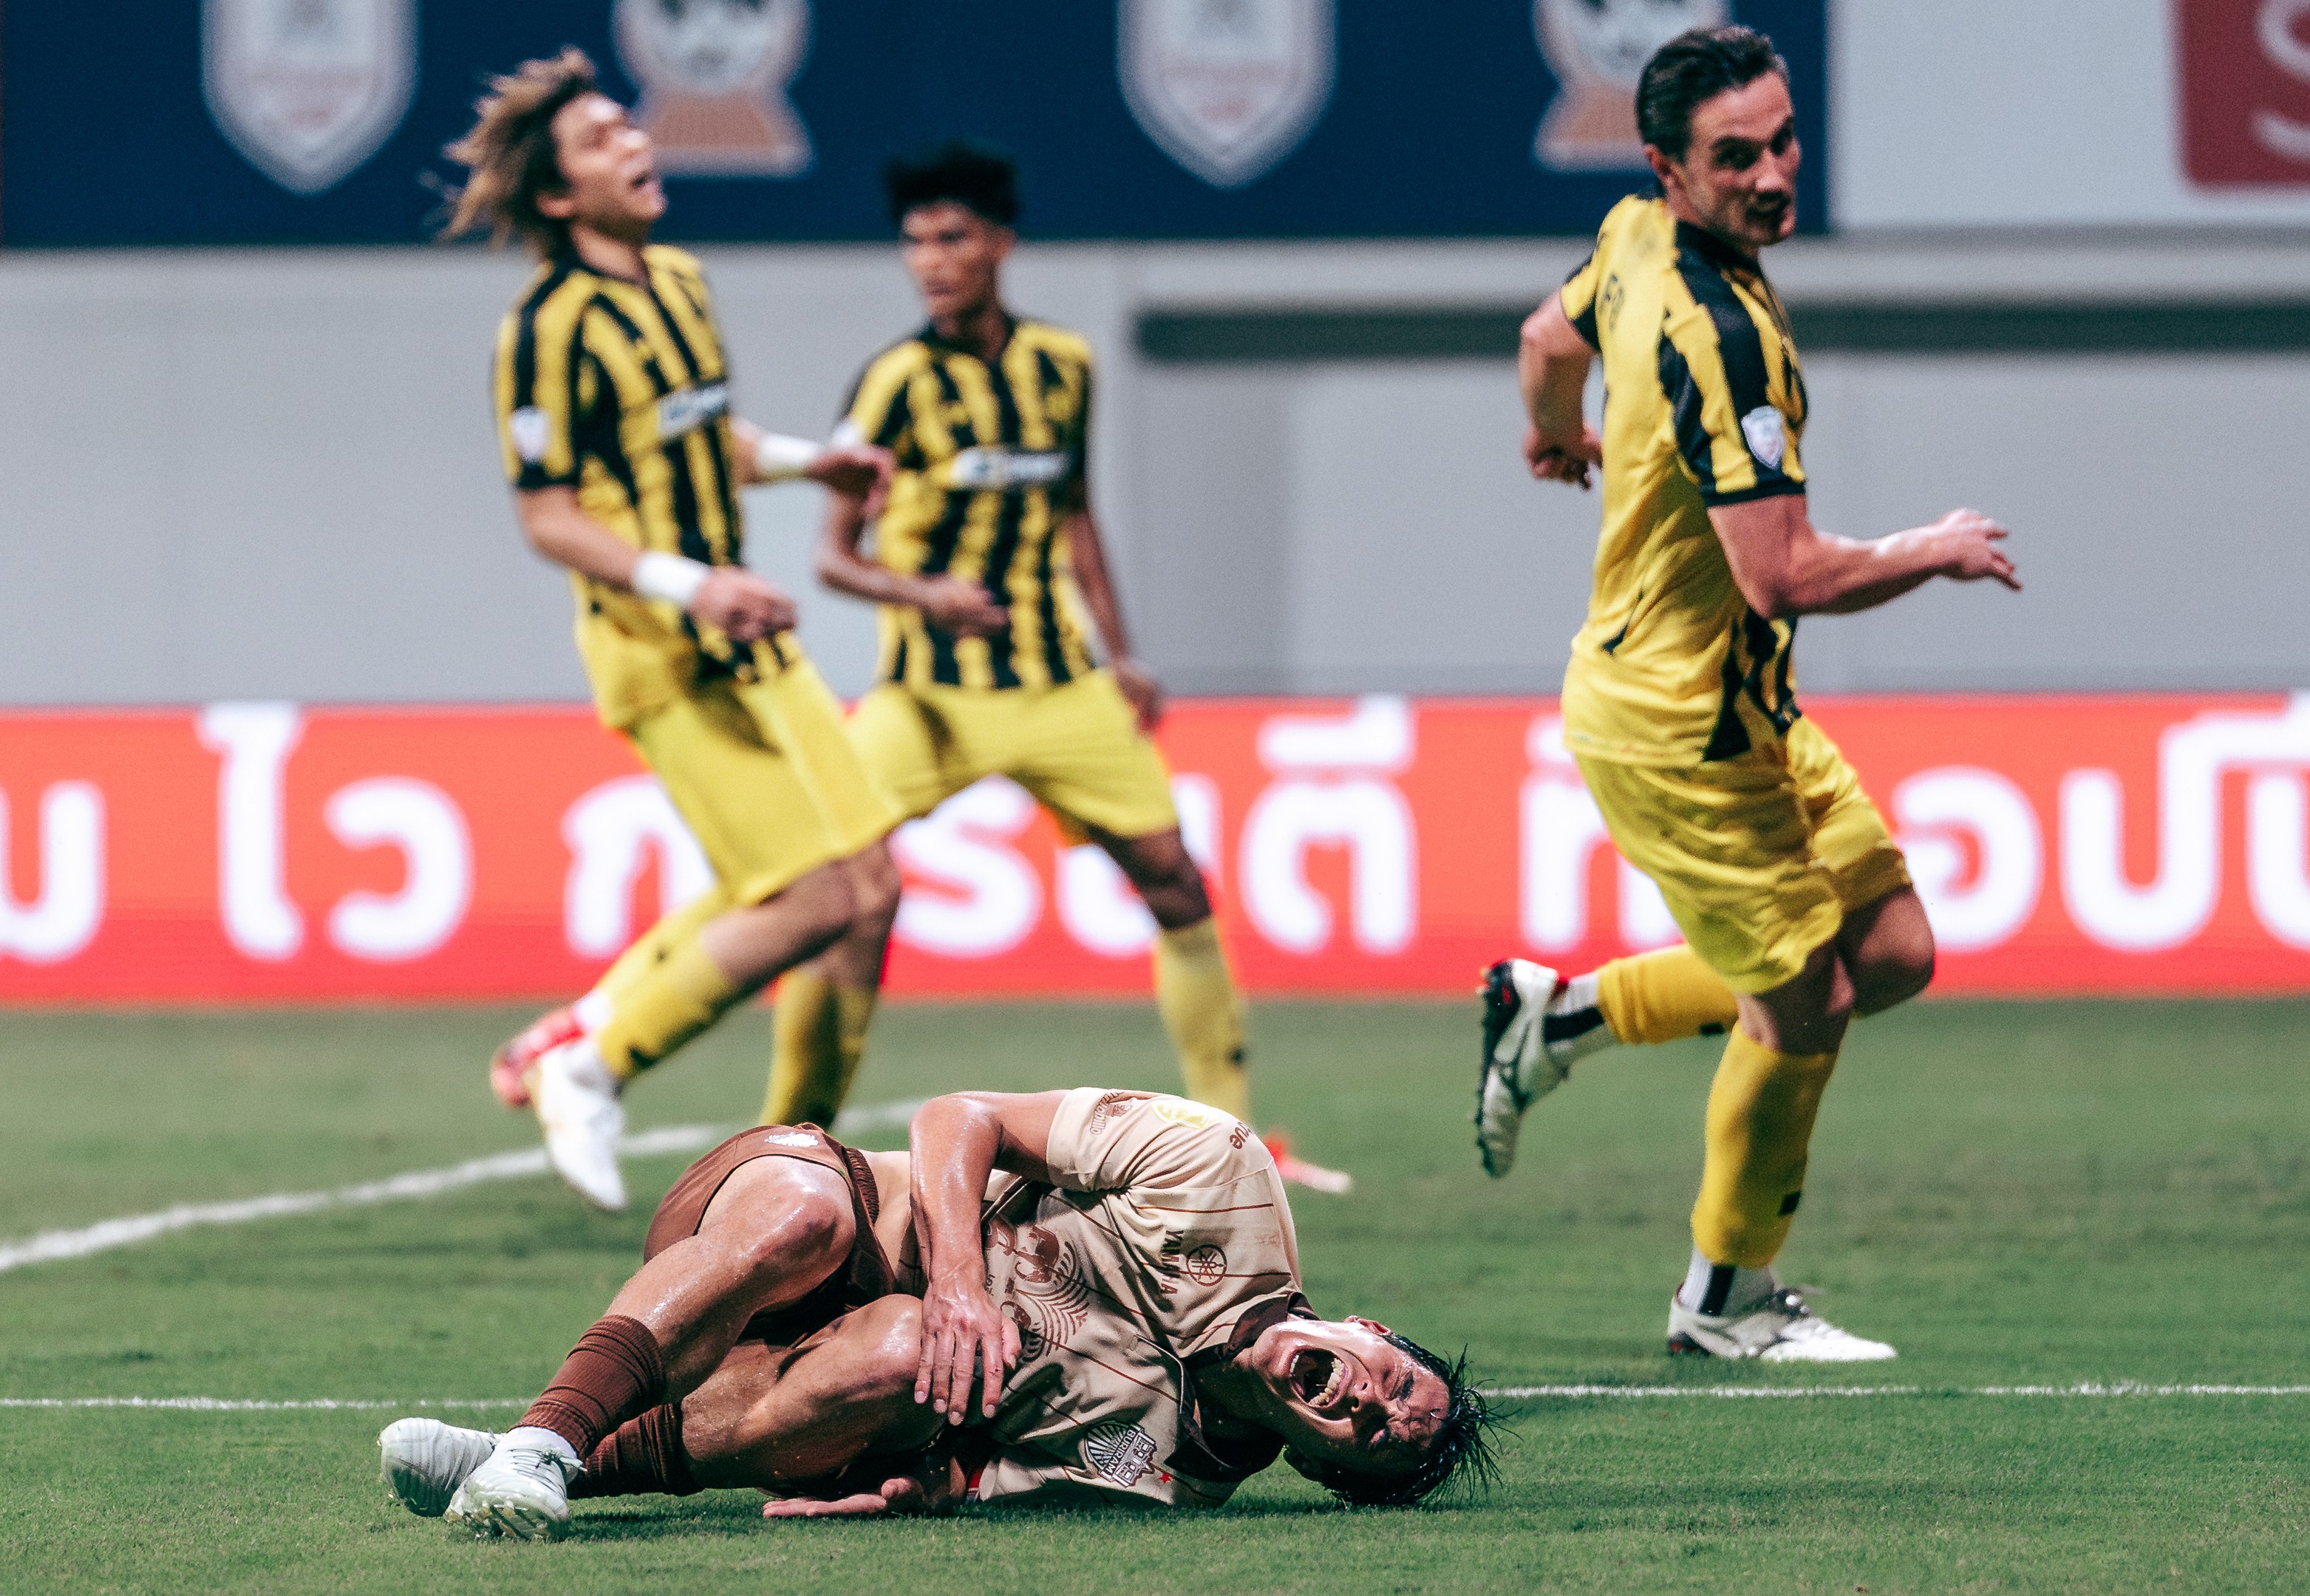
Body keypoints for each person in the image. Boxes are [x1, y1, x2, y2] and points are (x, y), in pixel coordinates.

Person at [1477, 26, 2020, 1361]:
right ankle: (1726, 1298)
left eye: (1783, 140)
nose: (1775, 174)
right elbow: (1782, 575)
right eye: (1738, 157)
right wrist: (1930, 552)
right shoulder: (1724, 337)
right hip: (1681, 728)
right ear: (1668, 166)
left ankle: (1566, 1014)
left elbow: (1547, 335)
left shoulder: (1632, 236)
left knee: (1891, 956)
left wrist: (1555, 429)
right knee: (1804, 1006)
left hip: (1739, 708)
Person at [759, 140, 1344, 1193]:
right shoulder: (894, 383)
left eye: (952, 237)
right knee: (846, 896)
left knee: (1175, 882)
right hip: (927, 697)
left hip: (1060, 686)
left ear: (999, 244)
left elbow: (1076, 517)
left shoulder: (1063, 367)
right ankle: (784, 1147)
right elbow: (832, 557)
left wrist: (1121, 653)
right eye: (914, 242)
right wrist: (923, 594)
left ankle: (1237, 1141)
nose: (931, 260)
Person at [446, 50, 907, 1213]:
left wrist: (813, 459)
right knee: (809, 896)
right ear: (558, 196)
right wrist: (685, 584)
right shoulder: (546, 328)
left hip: (743, 624)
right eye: (601, 141)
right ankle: (592, 1062)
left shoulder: (680, 281)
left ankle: (795, 1163)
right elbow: (549, 515)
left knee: (871, 891)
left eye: (628, 126)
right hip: (662, 646)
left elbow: (704, 438)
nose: (636, 144)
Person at [380, 1088, 1493, 1535]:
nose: (1372, 1404)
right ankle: (544, 1438)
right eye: (1395, 1382)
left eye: (1378, 1440)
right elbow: (959, 1117)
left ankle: (529, 1461)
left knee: (910, 1351)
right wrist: (956, 1271)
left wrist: (920, 1494)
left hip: (836, 1366)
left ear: (1319, 1464)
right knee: (807, 1223)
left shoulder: (1160, 1475)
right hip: (809, 1209)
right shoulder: (1221, 1175)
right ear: (1370, 1331)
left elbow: (979, 1475)